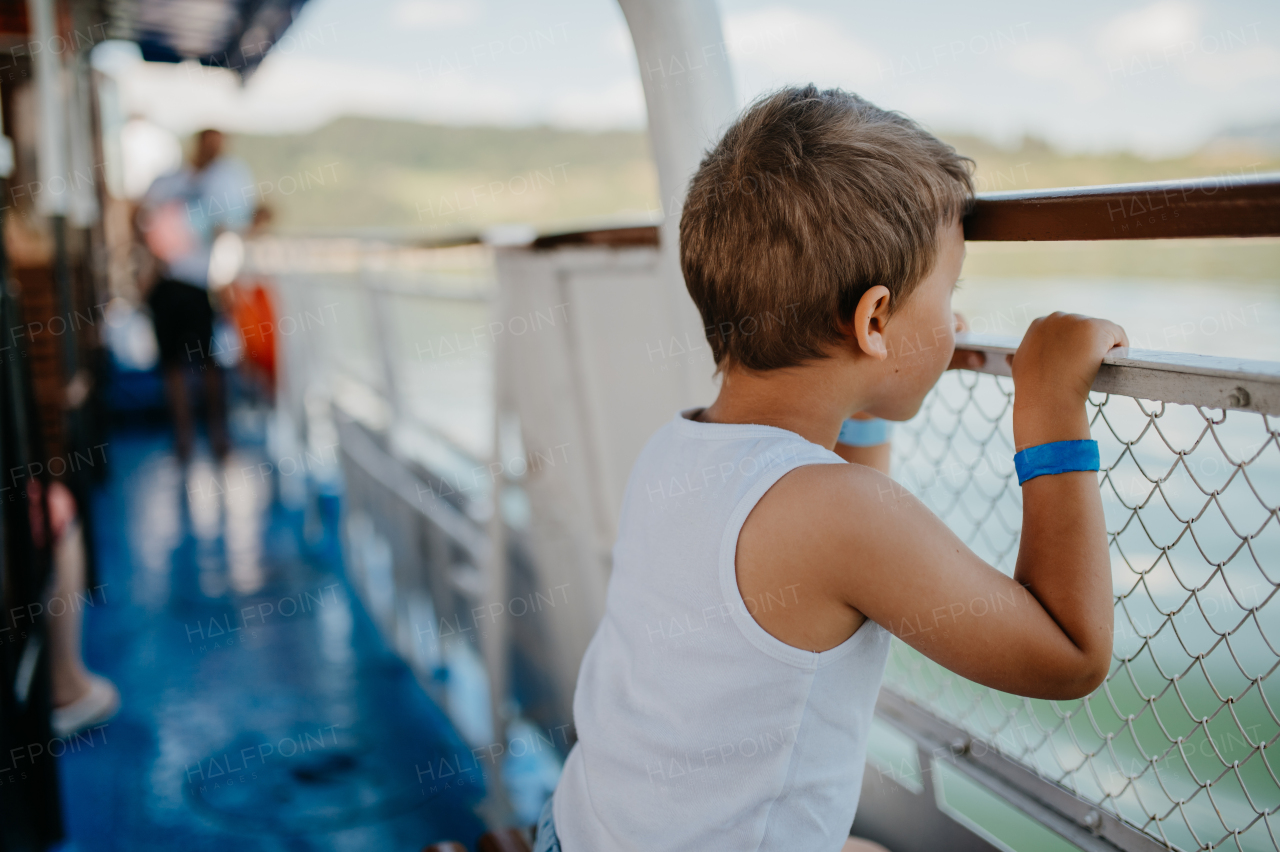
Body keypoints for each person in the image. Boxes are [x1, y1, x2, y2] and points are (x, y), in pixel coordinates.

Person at [538, 86, 1127, 852]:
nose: (954, 322)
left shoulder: (679, 448)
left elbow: (840, 506)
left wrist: (881, 374)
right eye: (949, 294)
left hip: (576, 828)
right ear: (874, 320)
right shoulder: (837, 512)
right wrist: (1050, 411)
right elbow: (1070, 653)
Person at [137, 129, 254, 461]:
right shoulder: (170, 181)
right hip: (168, 283)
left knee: (208, 362)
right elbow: (142, 218)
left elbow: (234, 229)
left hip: (201, 285)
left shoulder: (223, 186)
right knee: (173, 363)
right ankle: (185, 436)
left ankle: (217, 433)